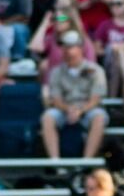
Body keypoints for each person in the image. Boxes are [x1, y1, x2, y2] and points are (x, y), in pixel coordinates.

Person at [41, 31, 108, 159]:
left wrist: (80, 110)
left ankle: (87, 161)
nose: (67, 50)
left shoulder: (96, 70)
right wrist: (69, 109)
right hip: (65, 109)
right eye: (64, 47)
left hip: (88, 109)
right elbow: (55, 99)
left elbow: (96, 98)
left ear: (81, 48)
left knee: (99, 117)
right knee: (48, 117)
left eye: (71, 47)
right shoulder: (56, 71)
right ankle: (55, 161)